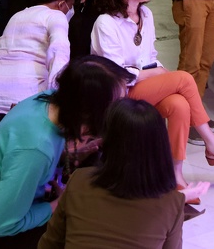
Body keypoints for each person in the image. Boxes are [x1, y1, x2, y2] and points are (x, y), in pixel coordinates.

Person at [91, 0, 214, 190]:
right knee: (185, 78)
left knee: (179, 104)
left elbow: (150, 59)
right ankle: (212, 142)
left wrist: (161, 73)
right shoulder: (106, 23)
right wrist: (158, 75)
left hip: (141, 89)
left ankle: (175, 175)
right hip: (118, 96)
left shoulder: (146, 15)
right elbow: (116, 74)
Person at [0, 56, 135, 248]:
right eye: (117, 102)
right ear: (90, 110)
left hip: (21, 210)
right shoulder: (36, 148)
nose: (120, 109)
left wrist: (68, 155)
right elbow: (3, 224)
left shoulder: (51, 100)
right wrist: (58, 204)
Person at [38, 99, 187, 249]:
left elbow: (48, 244)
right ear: (160, 146)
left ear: (108, 140)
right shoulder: (173, 203)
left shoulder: (79, 180)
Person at [0, 0, 79, 126]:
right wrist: (57, 100)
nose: (71, 10)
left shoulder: (17, 16)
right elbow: (59, 53)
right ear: (62, 4)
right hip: (20, 106)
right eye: (72, 4)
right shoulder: (56, 16)